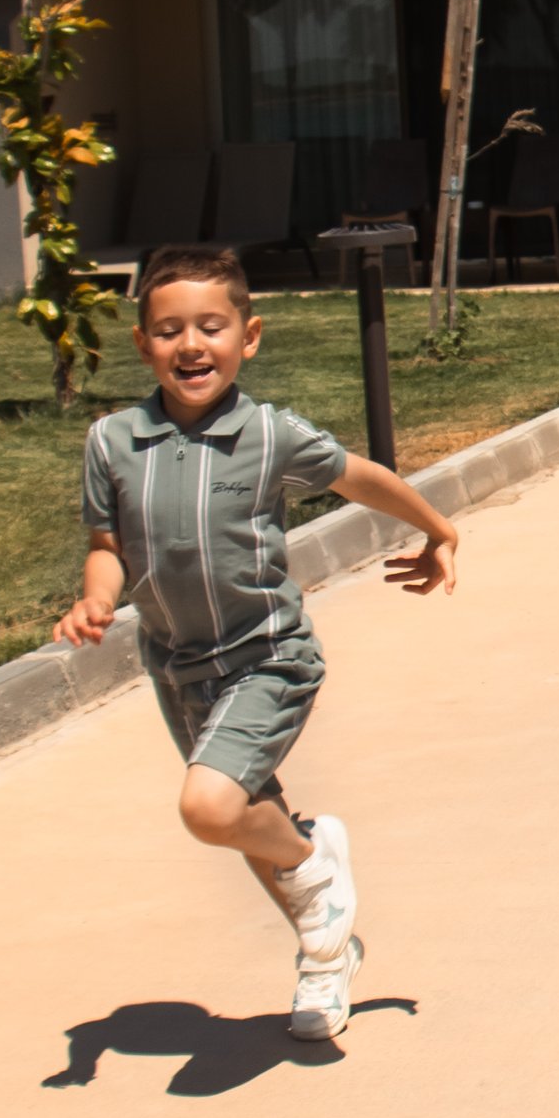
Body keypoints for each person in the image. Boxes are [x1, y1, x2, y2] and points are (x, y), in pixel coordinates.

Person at [55, 240, 460, 1041]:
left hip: (267, 655)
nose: (191, 345)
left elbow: (356, 475)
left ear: (250, 336)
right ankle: (326, 958)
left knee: (213, 807)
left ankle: (315, 866)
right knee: (248, 821)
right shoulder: (111, 442)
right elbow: (109, 548)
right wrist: (94, 602)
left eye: (211, 326)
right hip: (178, 667)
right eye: (169, 331)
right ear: (143, 346)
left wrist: (438, 527)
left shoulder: (269, 434)